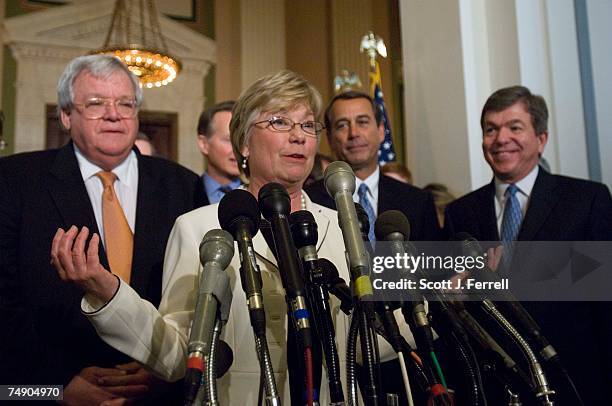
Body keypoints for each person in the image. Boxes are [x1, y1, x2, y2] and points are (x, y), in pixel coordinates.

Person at [51, 70, 367, 404]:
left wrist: (422, 287)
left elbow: (376, 340)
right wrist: (109, 293)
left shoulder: (342, 224)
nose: (298, 136)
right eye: (279, 123)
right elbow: (175, 356)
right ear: (243, 142)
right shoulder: (198, 227)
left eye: (307, 125)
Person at [0, 54, 204, 405]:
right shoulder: (15, 181)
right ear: (66, 115)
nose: (114, 114)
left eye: (126, 103)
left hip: (156, 393)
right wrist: (59, 385)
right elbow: (4, 301)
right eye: (95, 104)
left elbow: (197, 297)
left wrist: (164, 369)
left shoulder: (181, 185)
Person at [444, 85, 612, 405]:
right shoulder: (460, 212)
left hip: (573, 381)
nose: (501, 138)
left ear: (541, 138)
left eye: (514, 127)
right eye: (491, 129)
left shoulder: (586, 200)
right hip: (494, 387)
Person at [305, 90, 440, 242]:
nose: (354, 133)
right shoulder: (309, 200)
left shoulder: (418, 202)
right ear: (329, 138)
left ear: (381, 131)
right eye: (342, 125)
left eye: (362, 122)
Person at [197, 101, 241, 205]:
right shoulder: (185, 195)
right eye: (229, 140)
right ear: (204, 144)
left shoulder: (259, 195)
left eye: (242, 140)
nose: (239, 148)